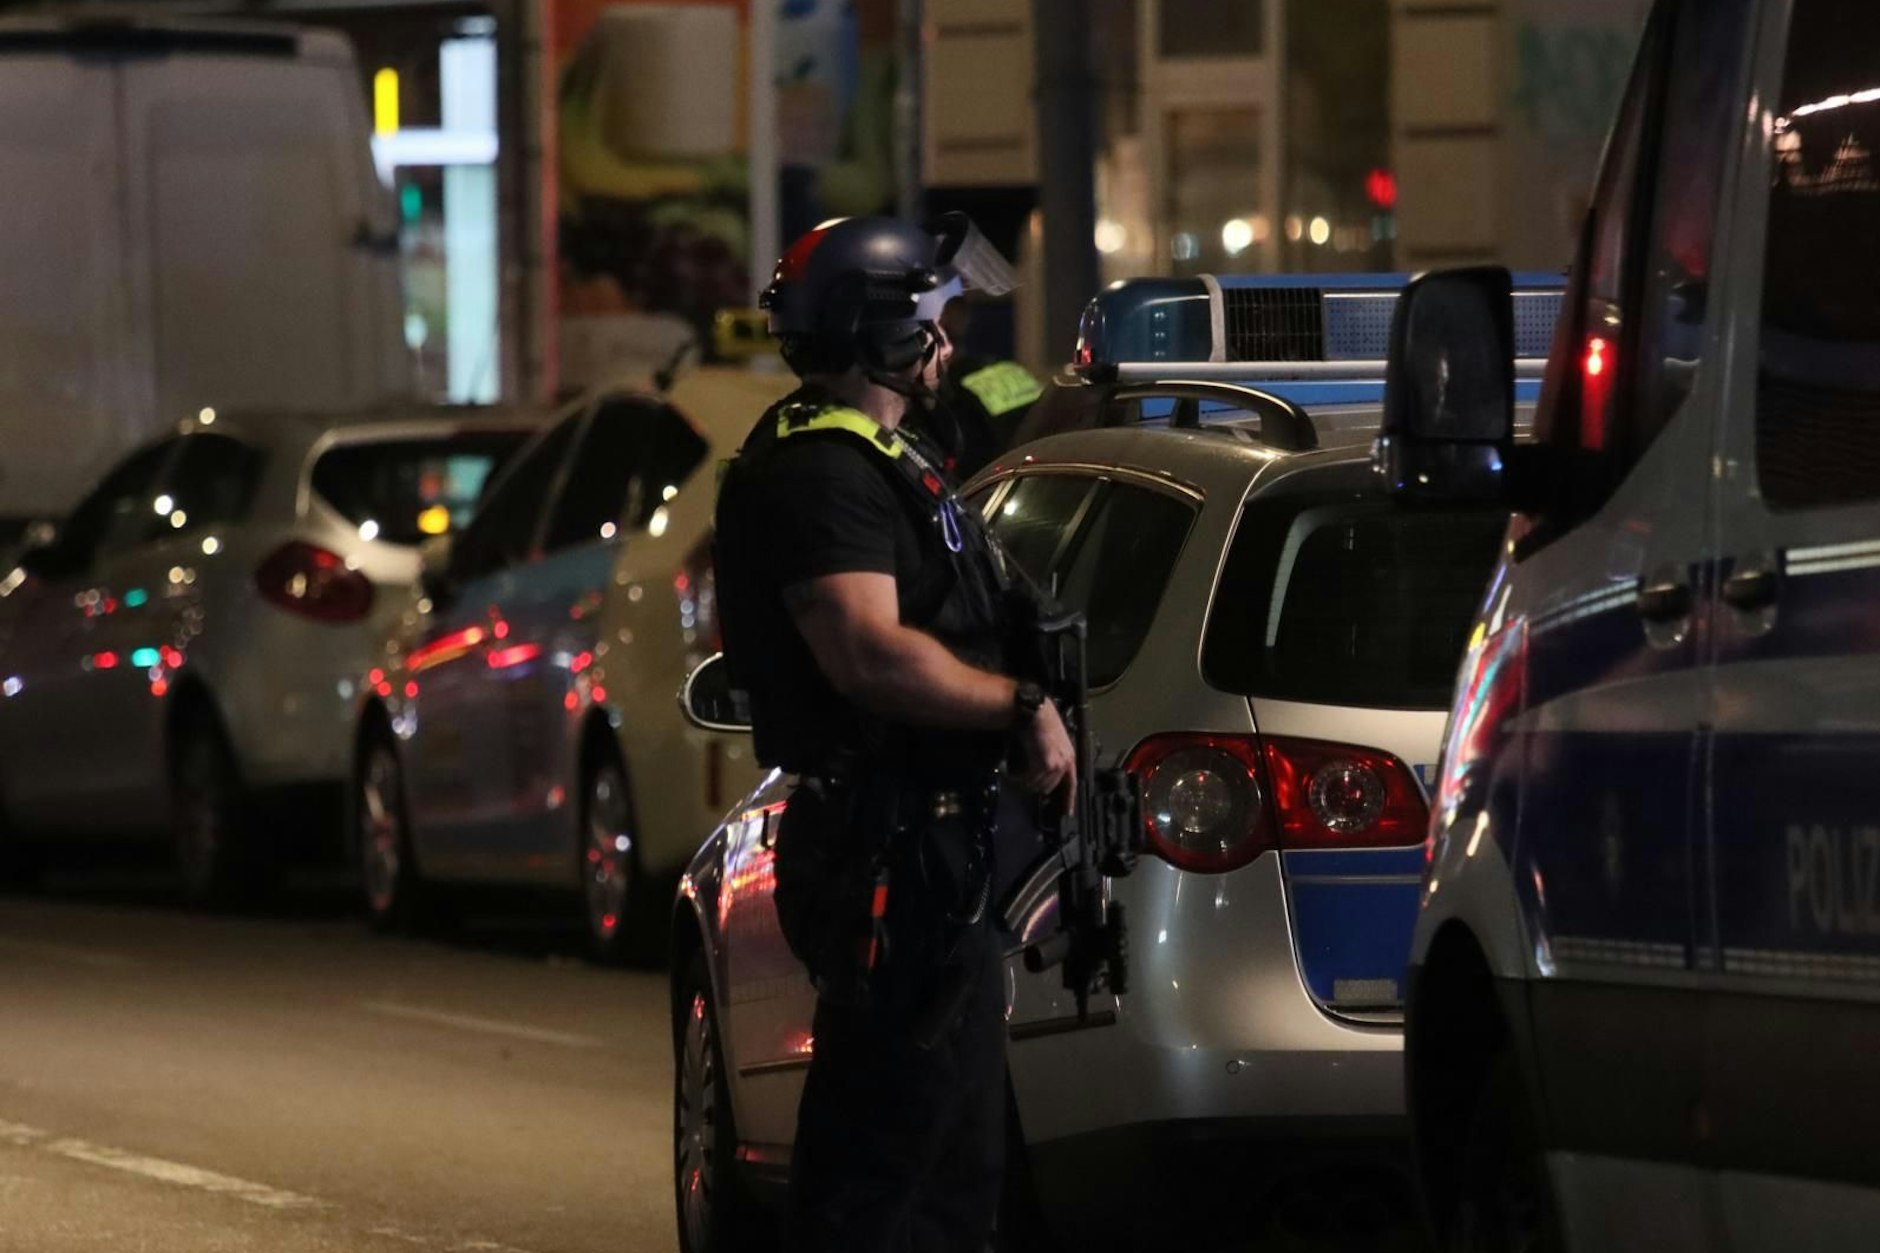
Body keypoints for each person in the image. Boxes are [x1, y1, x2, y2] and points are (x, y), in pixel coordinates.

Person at [714, 214, 1077, 1253]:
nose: (948, 343)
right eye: (930, 322)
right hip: (889, 852)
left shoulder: (885, 452)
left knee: (953, 1171)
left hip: (930, 851)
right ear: (875, 329)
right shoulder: (821, 475)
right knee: (883, 1166)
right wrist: (1016, 706)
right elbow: (866, 652)